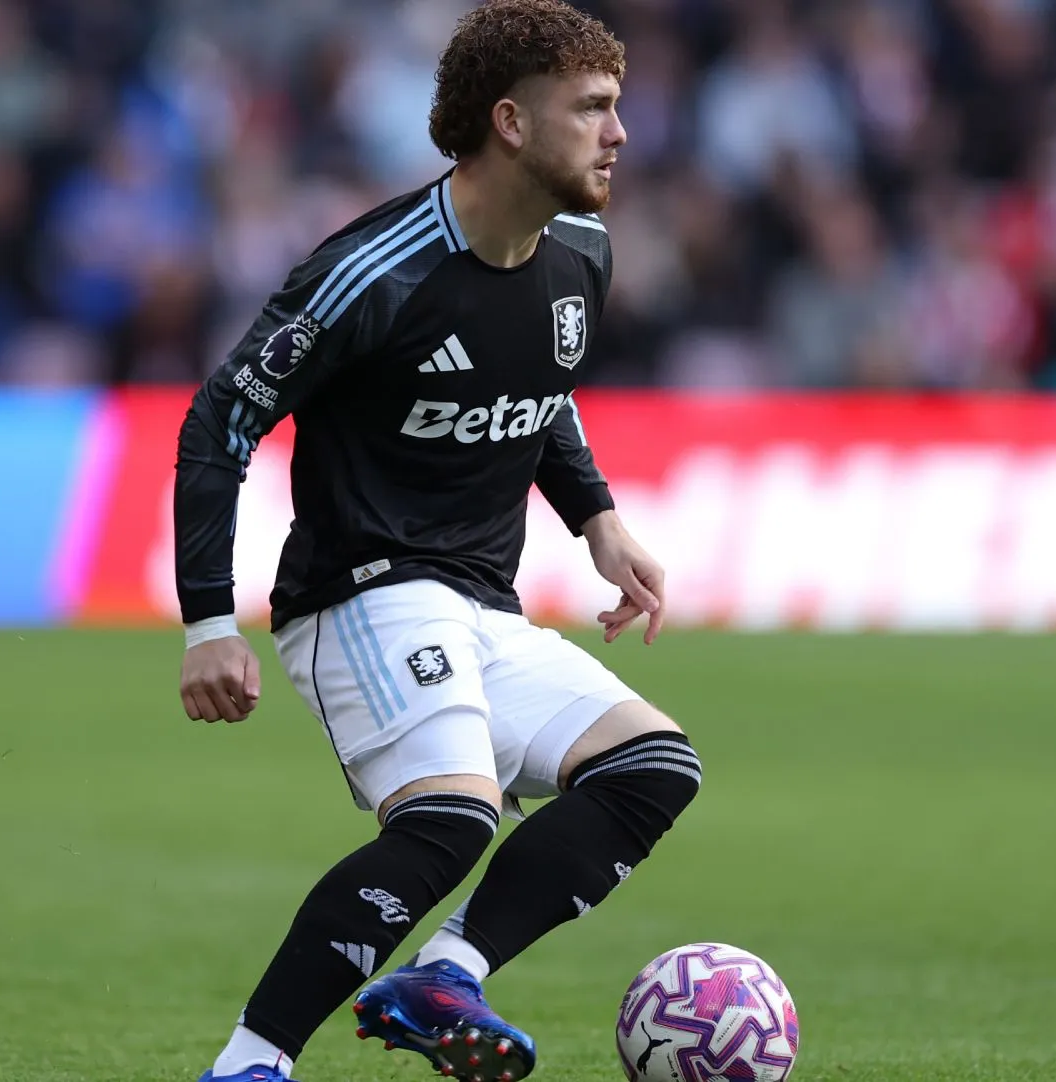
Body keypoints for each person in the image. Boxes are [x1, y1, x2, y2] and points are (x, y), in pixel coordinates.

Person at [174, 4, 701, 1080]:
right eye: (592, 108)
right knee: (453, 819)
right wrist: (207, 622)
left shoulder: (582, 257)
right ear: (510, 122)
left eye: (618, 106)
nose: (620, 133)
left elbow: (539, 392)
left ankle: (447, 969)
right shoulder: (373, 270)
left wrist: (596, 517)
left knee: (654, 766)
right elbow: (223, 414)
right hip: (358, 591)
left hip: (478, 600)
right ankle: (248, 1062)